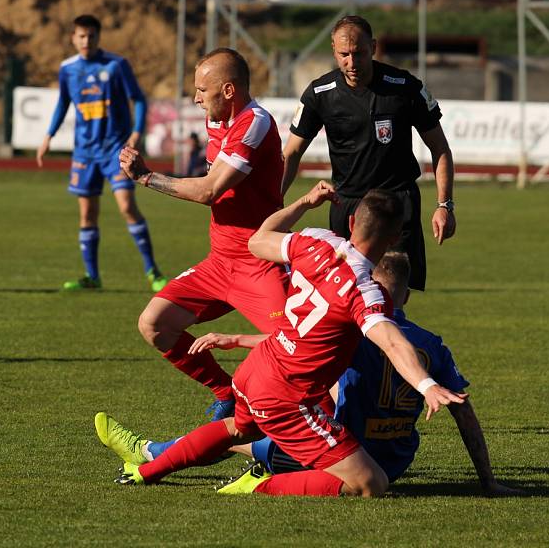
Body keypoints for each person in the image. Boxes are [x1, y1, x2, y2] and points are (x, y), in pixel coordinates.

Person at [102, 182, 466, 497]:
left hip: (255, 371)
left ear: (352, 222)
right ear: (395, 236)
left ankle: (145, 472)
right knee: (371, 483)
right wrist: (427, 384)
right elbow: (392, 342)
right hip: (289, 397)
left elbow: (258, 241)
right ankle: (261, 485)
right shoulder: (365, 291)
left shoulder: (315, 242)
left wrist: (304, 203)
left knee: (238, 429)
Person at [95, 251, 520, 496]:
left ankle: (155, 453)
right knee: (252, 427)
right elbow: (465, 412)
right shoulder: (433, 344)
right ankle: (157, 454)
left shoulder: (353, 331)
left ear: (367, 286)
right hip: (397, 460)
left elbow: (297, 347)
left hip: (335, 451)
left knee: (250, 432)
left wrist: (236, 340)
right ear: (406, 294)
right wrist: (488, 481)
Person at [118, 48, 287, 421]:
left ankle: (325, 435)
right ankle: (226, 392)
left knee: (296, 346)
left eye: (201, 90)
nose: (195, 98)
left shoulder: (254, 122)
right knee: (154, 323)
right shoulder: (217, 121)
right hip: (220, 262)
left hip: (259, 262)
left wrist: (147, 177)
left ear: (228, 90)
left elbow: (210, 191)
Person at [283, 15, 455, 291]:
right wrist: (274, 200)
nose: (352, 63)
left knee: (392, 295)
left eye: (359, 53)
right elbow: (290, 154)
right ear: (333, 50)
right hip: (347, 205)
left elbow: (440, 149)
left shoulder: (405, 88)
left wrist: (444, 205)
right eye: (344, 55)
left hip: (396, 205)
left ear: (373, 47)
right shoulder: (319, 93)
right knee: (345, 294)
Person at [36, 14, 166, 292]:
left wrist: (136, 131)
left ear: (98, 37)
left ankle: (153, 271)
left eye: (91, 36)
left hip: (115, 150)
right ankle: (92, 277)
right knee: (87, 214)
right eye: (81, 36)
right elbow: (63, 103)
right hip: (84, 153)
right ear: (73, 38)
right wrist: (48, 136)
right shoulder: (67, 69)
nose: (86, 41)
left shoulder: (117, 65)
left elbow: (139, 99)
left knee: (127, 207)